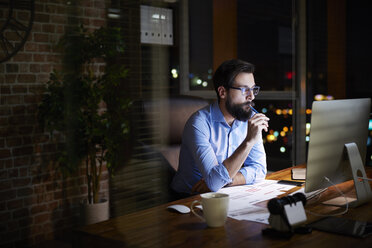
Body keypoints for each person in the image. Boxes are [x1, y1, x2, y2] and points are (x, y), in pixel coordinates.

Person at [171, 59, 269, 197]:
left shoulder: (250, 118)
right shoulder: (199, 123)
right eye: (244, 89)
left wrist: (227, 181)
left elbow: (259, 170)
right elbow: (213, 183)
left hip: (223, 192)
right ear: (222, 92)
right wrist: (249, 141)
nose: (251, 96)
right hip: (188, 198)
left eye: (253, 89)